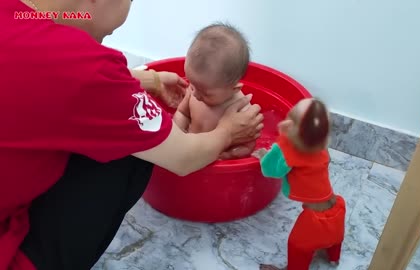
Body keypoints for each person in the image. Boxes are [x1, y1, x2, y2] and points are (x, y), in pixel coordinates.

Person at [0, 0, 264, 270]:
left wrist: (150, 80)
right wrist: (228, 131)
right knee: (129, 147)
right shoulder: (81, 64)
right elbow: (183, 157)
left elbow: (55, 74)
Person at [253, 98, 346, 270]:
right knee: (332, 237)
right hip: (336, 210)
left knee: (297, 246)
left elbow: (271, 171)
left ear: (288, 126)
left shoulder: (286, 150)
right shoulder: (321, 147)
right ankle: (333, 257)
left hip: (315, 223)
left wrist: (264, 156)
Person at [174, 22, 256, 160]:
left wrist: (229, 155)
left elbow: (249, 144)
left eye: (205, 93)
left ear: (234, 89)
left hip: (215, 161)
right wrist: (178, 134)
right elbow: (182, 113)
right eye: (192, 85)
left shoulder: (242, 112)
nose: (195, 94)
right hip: (189, 150)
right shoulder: (196, 91)